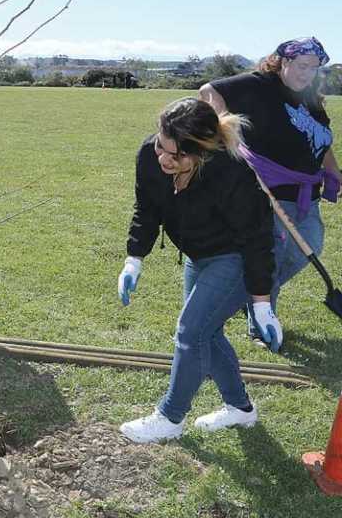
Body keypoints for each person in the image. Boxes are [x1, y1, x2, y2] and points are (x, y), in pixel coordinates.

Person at [118, 97, 281, 443]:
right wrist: (134, 258)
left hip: (235, 257)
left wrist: (262, 303)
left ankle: (170, 417)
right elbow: (146, 208)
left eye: (175, 155)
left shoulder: (231, 173)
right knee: (208, 332)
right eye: (161, 145)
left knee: (191, 332)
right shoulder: (150, 155)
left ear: (201, 153)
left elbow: (256, 240)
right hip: (198, 255)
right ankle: (240, 409)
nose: (162, 157)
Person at [199, 37, 337, 351]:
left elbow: (321, 140)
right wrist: (223, 129)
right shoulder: (260, 85)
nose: (308, 74)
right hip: (268, 189)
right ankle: (261, 321)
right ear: (282, 61)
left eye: (314, 68)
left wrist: (334, 171)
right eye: (302, 66)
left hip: (306, 191)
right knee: (271, 257)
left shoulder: (310, 98)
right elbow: (209, 90)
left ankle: (251, 296)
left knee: (307, 246)